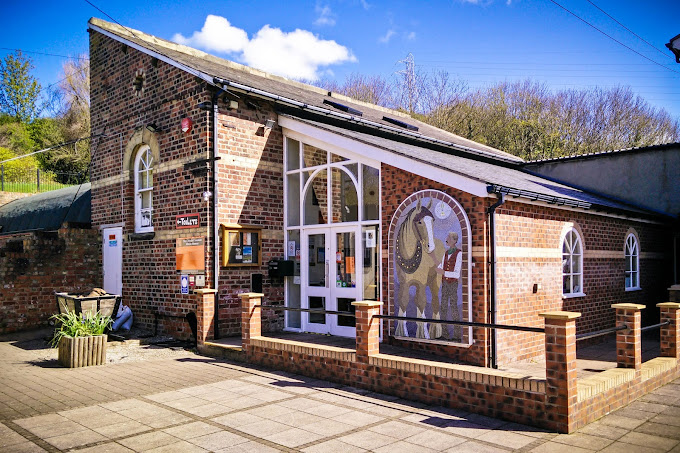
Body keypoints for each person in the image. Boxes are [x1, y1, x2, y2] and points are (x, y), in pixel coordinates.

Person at [435, 231, 462, 340]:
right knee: (443, 308)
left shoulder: (459, 253)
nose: (447, 239)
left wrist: (443, 273)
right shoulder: (446, 253)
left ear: (454, 241)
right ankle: (444, 333)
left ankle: (456, 335)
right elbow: (441, 266)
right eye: (447, 237)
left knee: (454, 308)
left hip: (452, 283)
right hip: (445, 284)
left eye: (449, 238)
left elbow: (456, 273)